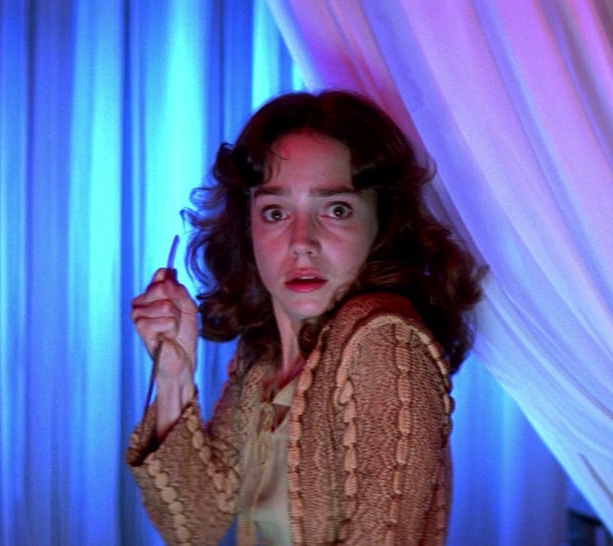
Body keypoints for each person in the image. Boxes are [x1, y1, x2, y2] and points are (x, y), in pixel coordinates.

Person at [126, 90, 484, 545]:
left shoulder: (383, 343)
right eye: (276, 213)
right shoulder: (264, 356)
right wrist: (174, 373)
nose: (302, 242)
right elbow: (194, 526)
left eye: (336, 210)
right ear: (248, 228)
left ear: (381, 224)